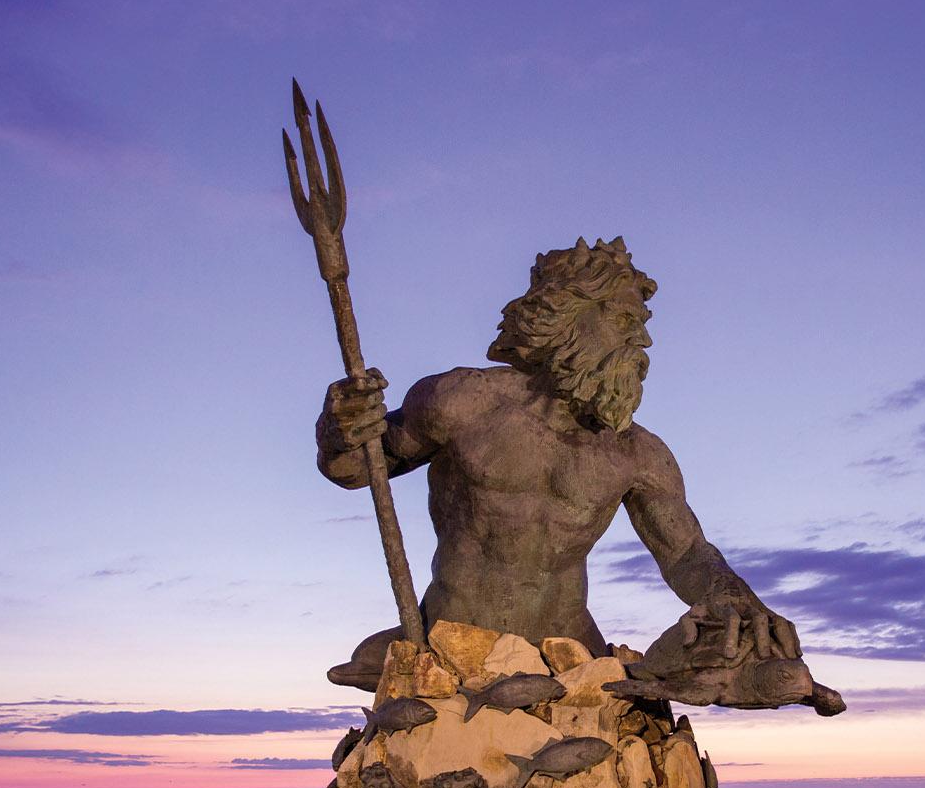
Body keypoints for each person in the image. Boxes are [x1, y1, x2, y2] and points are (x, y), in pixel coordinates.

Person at [317, 236, 799, 690]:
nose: (644, 342)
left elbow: (686, 553)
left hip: (569, 657)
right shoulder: (463, 401)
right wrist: (340, 431)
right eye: (626, 321)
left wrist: (734, 596)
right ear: (569, 313)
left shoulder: (638, 453)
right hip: (451, 647)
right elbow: (360, 469)